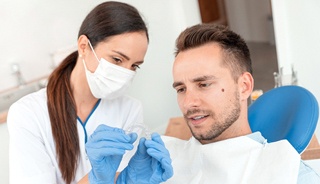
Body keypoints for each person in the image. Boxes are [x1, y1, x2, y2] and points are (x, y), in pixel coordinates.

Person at [7, 1, 172, 184]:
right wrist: (95, 179)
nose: (125, 73)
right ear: (84, 46)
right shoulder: (29, 114)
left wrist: (130, 180)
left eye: (134, 66)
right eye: (117, 59)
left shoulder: (130, 109)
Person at [162, 23, 320, 183]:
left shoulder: (292, 177)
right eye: (181, 89)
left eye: (204, 84)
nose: (188, 103)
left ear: (244, 86)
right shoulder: (165, 164)